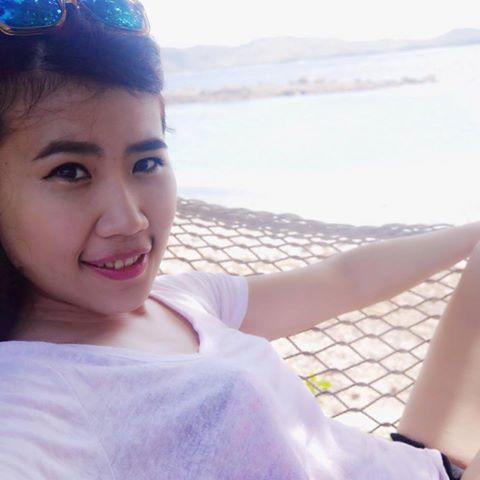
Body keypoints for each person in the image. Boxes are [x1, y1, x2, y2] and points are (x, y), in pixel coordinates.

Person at [0, 1, 478, 479]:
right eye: (70, 172)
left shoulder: (181, 301)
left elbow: (345, 278)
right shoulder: (30, 402)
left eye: (146, 163)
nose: (129, 220)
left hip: (421, 463)